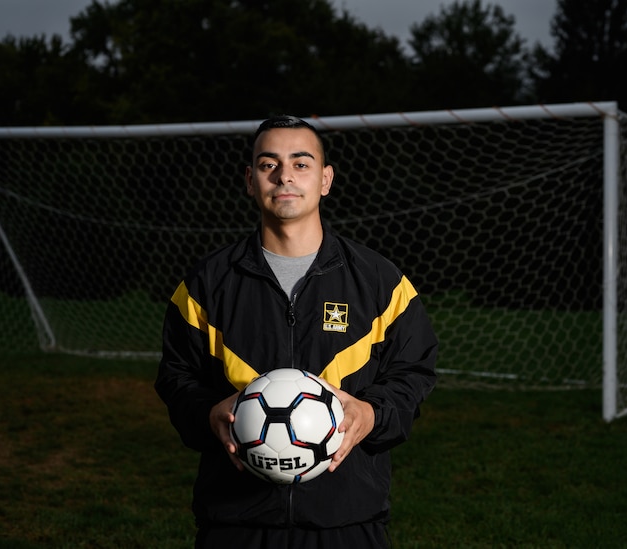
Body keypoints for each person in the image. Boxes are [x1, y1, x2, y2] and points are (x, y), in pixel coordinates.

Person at [154, 114, 439, 548]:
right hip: (236, 520)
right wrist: (207, 414)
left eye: (301, 163)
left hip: (346, 519)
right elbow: (176, 379)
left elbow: (414, 373)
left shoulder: (381, 283)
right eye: (269, 164)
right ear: (250, 180)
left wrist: (372, 413)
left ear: (326, 179)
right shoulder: (206, 285)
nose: (285, 175)